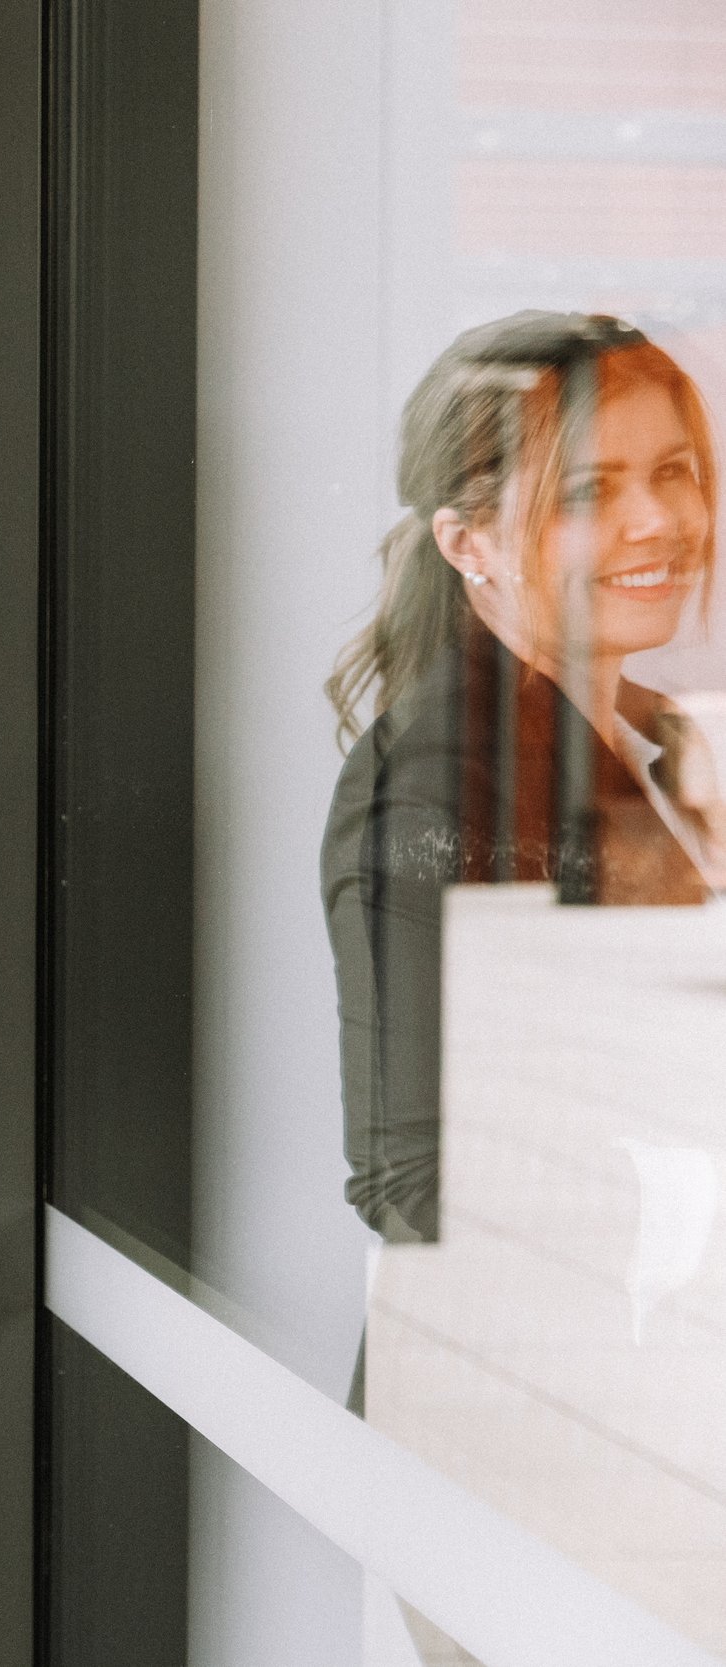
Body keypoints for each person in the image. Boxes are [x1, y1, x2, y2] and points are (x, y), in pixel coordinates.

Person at [322, 311, 720, 1256]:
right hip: (539, 1376)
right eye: (590, 491)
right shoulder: (434, 785)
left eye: (673, 471)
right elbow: (415, 1181)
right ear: (469, 545)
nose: (660, 519)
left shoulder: (665, 742)